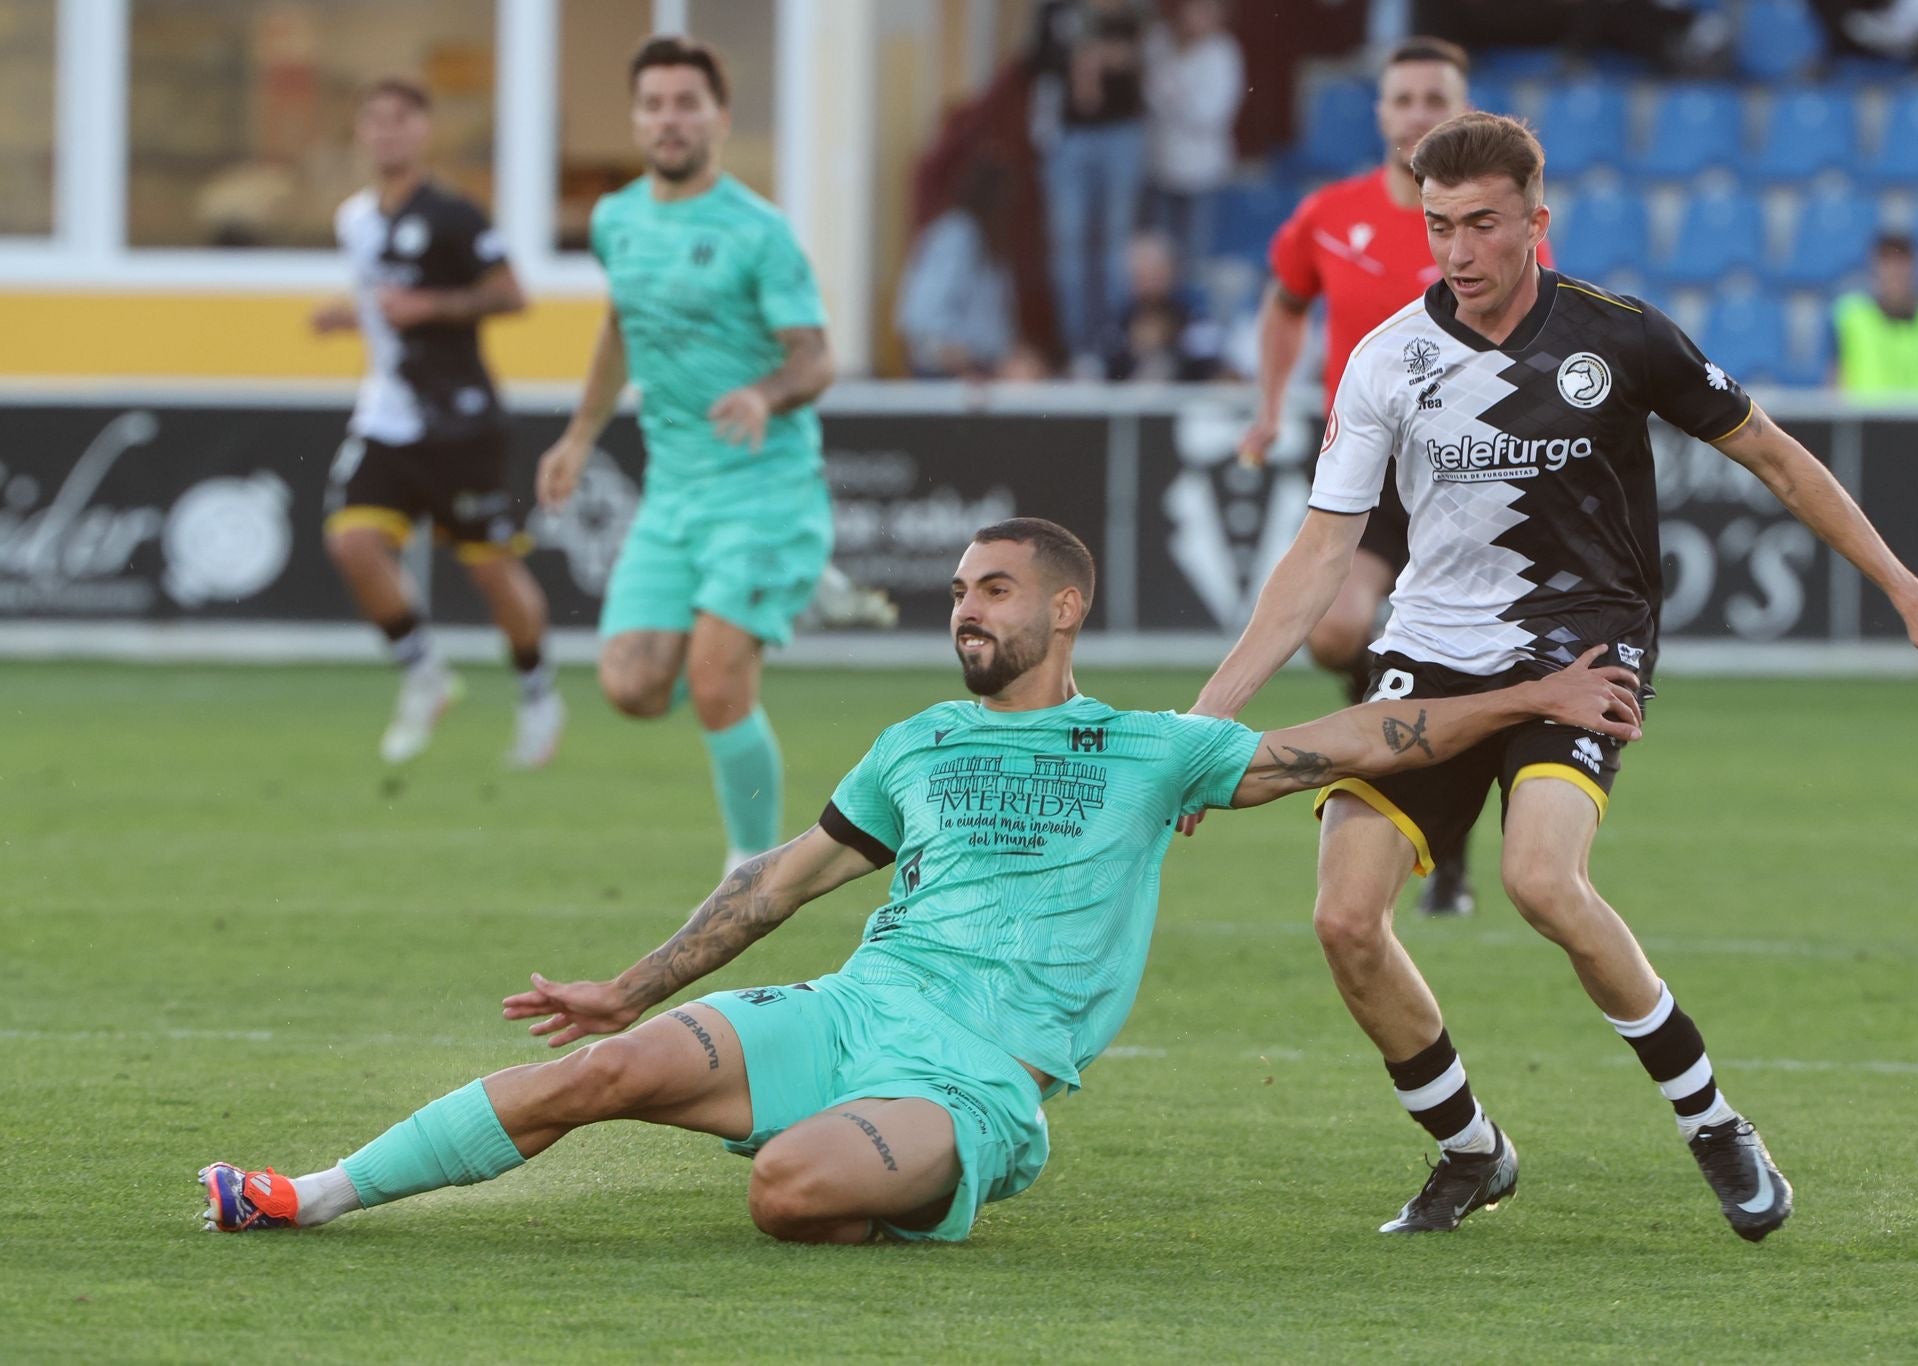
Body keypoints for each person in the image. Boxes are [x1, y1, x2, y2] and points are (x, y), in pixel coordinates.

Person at [199, 517, 1643, 1245]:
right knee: (602, 1072)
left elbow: (1357, 733)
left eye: (993, 590)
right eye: (959, 590)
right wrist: (623, 987)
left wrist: (1526, 697)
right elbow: (781, 883)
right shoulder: (917, 742)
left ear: (1062, 607)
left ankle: (907, 1161)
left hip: (980, 1080)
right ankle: (304, 1193)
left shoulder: (1149, 748)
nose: (967, 607)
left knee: (784, 1191)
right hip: (847, 1013)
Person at [1191, 112, 1918, 1240]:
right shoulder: (1386, 359)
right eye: (1438, 226)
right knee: (1344, 920)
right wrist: (1206, 719)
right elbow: (1317, 553)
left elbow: (1777, 458)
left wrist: (1908, 595)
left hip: (1582, 640)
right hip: (1430, 648)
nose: (1456, 250)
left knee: (1542, 880)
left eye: (1482, 225)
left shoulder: (1621, 340)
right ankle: (1468, 1149)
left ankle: (1713, 1122)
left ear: (1535, 222)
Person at [534, 37, 883, 878]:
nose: (669, 118)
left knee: (720, 680)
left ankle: (753, 867)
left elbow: (817, 358)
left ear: (720, 118)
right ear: (636, 118)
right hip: (675, 493)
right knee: (632, 687)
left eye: (687, 102)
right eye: (653, 103)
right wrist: (580, 434)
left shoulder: (758, 232)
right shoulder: (617, 219)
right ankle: (810, 591)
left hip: (763, 485)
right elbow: (620, 326)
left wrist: (764, 394)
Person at [1241, 36, 1531, 916]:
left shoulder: (1487, 230)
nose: (1417, 113)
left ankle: (1443, 833)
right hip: (1368, 474)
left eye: (1434, 97)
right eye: (1403, 98)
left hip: (1465, 480)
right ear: (1380, 112)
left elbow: (1532, 341)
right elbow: (1285, 302)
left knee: (1448, 653)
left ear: (1465, 109)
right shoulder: (1330, 214)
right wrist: (1268, 404)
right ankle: (1411, 744)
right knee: (1337, 636)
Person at [314, 78, 565, 770]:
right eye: (376, 121)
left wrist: (431, 306)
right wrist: (350, 315)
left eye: (402, 120)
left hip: (460, 423)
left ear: (423, 131)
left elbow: (511, 294)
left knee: (488, 570)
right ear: (362, 133)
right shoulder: (355, 218)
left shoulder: (454, 214)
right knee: (352, 543)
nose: (388, 133)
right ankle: (424, 675)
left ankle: (538, 693)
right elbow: (380, 298)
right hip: (387, 416)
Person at [1033, 0, 1151, 374]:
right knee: (1070, 247)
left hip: (1121, 131)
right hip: (1071, 136)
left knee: (1117, 248)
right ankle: (1080, 347)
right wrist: (1081, 58)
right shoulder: (1055, 9)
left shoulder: (1132, 9)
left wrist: (1112, 56)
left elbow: (1148, 54)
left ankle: (1115, 342)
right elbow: (1035, 60)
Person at [894, 159, 1024, 379]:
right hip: (948, 376)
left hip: (986, 372)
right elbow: (920, 319)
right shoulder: (956, 236)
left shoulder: (992, 247)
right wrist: (964, 367)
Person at [1140, 0, 1245, 270]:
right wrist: (1178, 98)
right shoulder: (1159, 42)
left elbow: (1210, 115)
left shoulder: (1224, 52)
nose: (1200, 18)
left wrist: (1172, 97)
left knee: (1195, 261)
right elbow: (1149, 94)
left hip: (1203, 174)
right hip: (1160, 167)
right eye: (1195, 9)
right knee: (1157, 260)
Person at [1829, 232, 1918, 397]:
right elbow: (1834, 382)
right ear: (1874, 269)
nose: (1895, 273)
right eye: (1887, 263)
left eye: (1902, 264)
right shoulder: (1850, 317)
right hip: (1865, 420)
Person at [1105, 231, 1226, 381]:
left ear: (1172, 271)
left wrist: (1170, 345)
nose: (1149, 285)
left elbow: (1210, 368)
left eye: (1154, 274)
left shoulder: (1196, 319)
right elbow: (1104, 370)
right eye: (1141, 276)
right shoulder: (1118, 322)